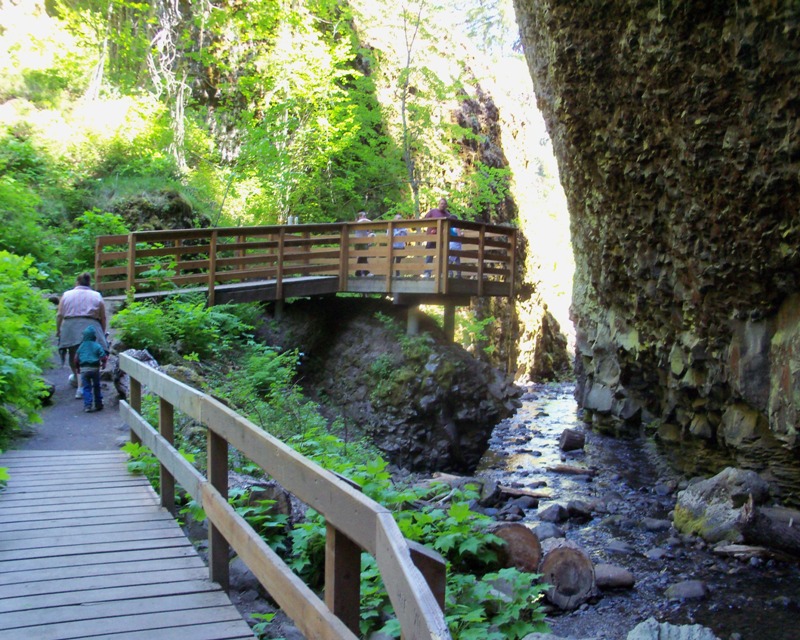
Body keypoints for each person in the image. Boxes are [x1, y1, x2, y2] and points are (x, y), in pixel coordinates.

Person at [57, 272, 109, 398]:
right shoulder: (96, 295)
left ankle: (78, 381)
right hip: (91, 325)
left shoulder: (66, 295)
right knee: (93, 353)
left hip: (71, 326)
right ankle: (87, 381)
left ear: (77, 282)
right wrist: (102, 332)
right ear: (89, 283)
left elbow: (59, 315)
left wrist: (58, 330)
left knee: (74, 355)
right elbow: (103, 317)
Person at [74, 325, 108, 412]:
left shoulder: (81, 346)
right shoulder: (97, 345)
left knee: (86, 387)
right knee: (96, 386)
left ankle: (87, 405)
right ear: (94, 336)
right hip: (95, 369)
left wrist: (77, 368)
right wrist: (103, 364)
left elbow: (76, 359)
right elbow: (103, 356)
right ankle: (98, 404)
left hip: (84, 370)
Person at [423, 197, 449, 277]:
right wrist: (431, 228)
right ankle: (427, 273)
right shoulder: (433, 212)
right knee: (429, 255)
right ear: (439, 204)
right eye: (441, 204)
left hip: (442, 238)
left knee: (442, 256)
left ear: (446, 206)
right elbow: (424, 220)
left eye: (444, 204)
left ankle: (441, 273)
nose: (443, 205)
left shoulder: (448, 215)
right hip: (432, 237)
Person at [354, 211, 374, 277]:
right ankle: (365, 272)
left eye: (365, 216)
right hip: (360, 242)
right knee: (363, 256)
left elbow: (369, 230)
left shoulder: (363, 223)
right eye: (364, 216)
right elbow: (367, 221)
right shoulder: (359, 222)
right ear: (360, 216)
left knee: (363, 257)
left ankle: (359, 272)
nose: (365, 217)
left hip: (363, 241)